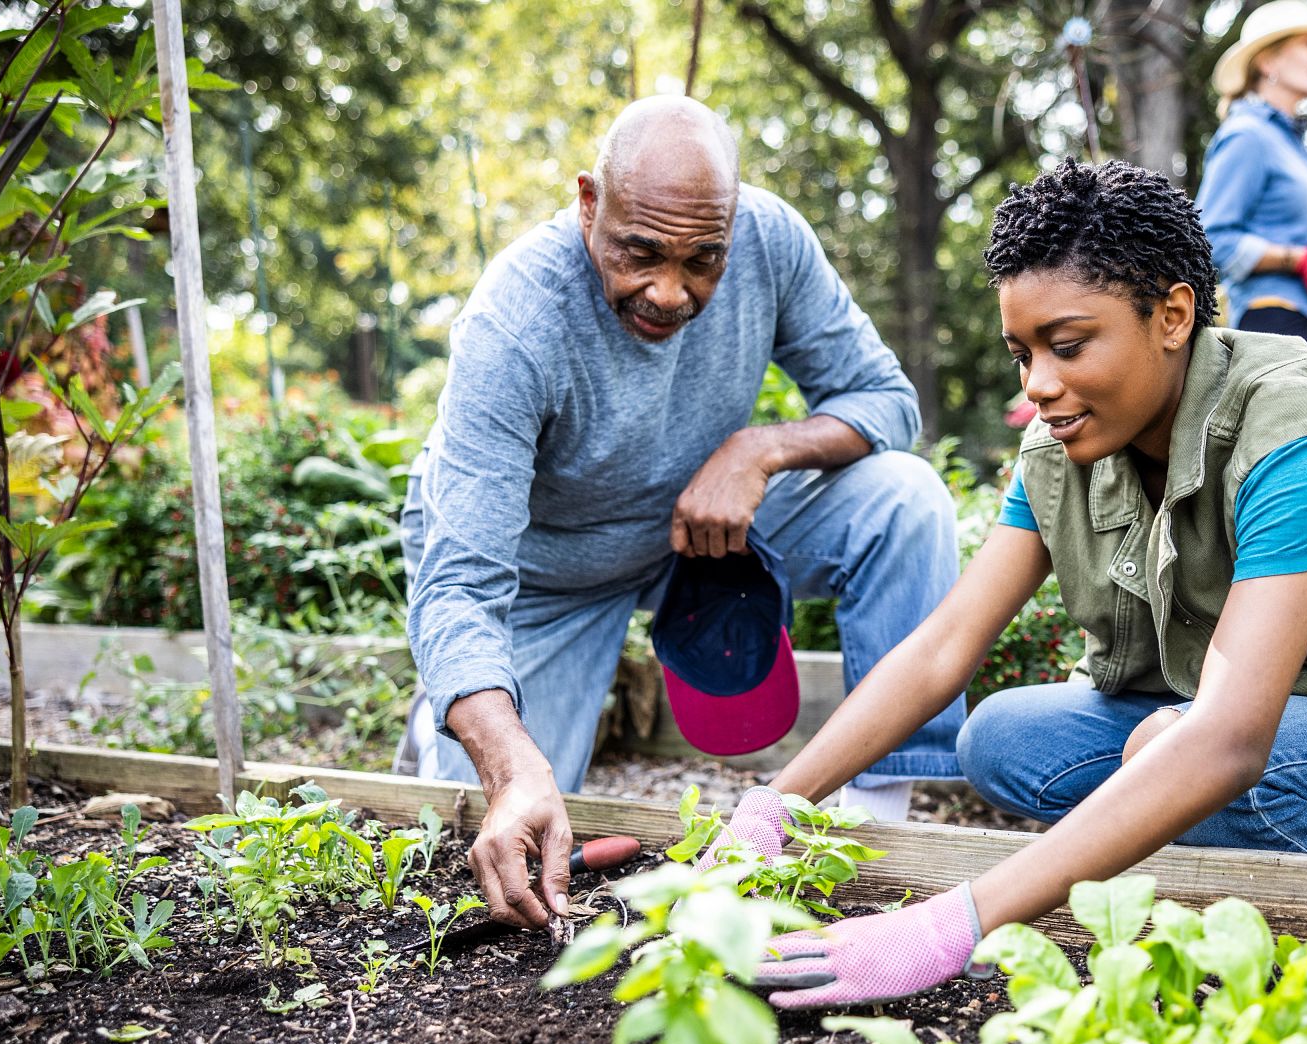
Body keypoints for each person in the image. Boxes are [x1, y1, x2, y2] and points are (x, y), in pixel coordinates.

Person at [714, 159, 1307, 1011]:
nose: (1038, 387)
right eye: (1021, 353)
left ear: (1172, 315)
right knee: (1003, 737)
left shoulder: (1295, 437)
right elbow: (946, 646)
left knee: (1187, 755)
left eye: (1067, 346)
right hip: (1300, 721)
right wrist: (773, 804)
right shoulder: (1064, 448)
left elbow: (1227, 743)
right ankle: (1229, 877)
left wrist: (954, 923)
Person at [403, 95, 964, 936]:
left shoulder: (770, 240)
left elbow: (883, 399)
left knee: (904, 497)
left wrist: (758, 450)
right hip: (546, 575)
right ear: (589, 203)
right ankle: (444, 718)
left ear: (734, 225)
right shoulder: (514, 322)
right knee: (495, 842)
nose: (670, 291)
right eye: (641, 253)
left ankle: (876, 820)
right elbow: (455, 585)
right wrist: (509, 761)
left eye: (704, 260)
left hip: (701, 534)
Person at [1194, 0, 1307, 410]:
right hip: (1276, 325)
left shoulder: (1297, 148)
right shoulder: (1246, 136)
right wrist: (1298, 260)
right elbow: (1209, 241)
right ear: (1267, 61)